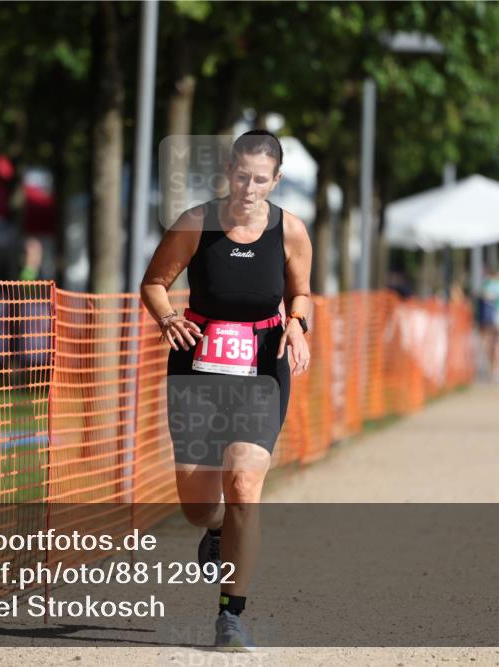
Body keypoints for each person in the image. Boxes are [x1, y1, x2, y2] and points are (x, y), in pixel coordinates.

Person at [140, 130, 312, 651]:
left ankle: (230, 614)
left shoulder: (291, 230)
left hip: (263, 366)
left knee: (243, 487)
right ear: (228, 171)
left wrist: (299, 323)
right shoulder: (196, 223)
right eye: (241, 175)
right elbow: (153, 282)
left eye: (261, 179)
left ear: (276, 180)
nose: (249, 187)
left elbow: (301, 291)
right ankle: (212, 528)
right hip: (197, 367)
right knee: (198, 504)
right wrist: (168, 317)